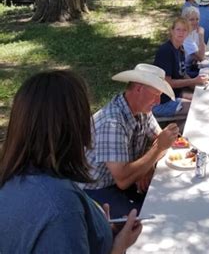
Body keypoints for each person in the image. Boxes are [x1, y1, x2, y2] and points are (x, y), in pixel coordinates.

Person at [0, 70, 142, 253]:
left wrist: (98, 230)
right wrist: (119, 247)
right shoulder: (61, 206)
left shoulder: (13, 178)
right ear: (75, 128)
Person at [82, 64, 180, 219]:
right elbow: (123, 180)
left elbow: (161, 139)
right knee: (148, 219)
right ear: (139, 89)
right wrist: (155, 152)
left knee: (167, 201)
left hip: (116, 183)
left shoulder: (141, 110)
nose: (158, 101)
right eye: (156, 94)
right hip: (94, 192)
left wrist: (145, 168)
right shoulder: (112, 122)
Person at [152, 18, 207, 119]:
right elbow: (168, 83)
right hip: (161, 101)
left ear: (188, 33)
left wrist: (197, 85)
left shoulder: (180, 49)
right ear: (172, 31)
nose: (181, 33)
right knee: (199, 109)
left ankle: (179, 128)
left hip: (175, 94)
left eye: (184, 30)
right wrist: (193, 81)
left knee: (204, 99)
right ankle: (178, 130)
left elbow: (183, 74)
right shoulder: (166, 51)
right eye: (178, 29)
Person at [182, 6, 206, 78]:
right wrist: (201, 36)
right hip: (186, 72)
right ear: (185, 20)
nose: (195, 22)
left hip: (194, 65)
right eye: (191, 19)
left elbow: (203, 50)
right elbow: (201, 57)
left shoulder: (194, 31)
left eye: (197, 19)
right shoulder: (184, 35)